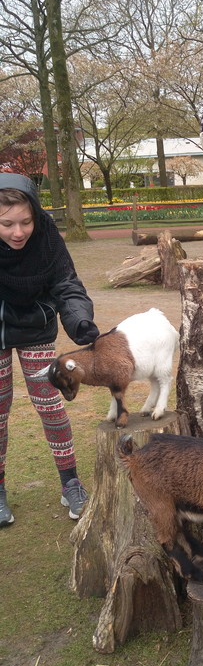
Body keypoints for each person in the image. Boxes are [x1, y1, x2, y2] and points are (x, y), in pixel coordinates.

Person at [0, 173, 99, 527]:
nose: (18, 232)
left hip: (35, 327)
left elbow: (66, 284)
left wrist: (80, 322)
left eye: (25, 221)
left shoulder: (46, 238)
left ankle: (70, 481)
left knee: (51, 406)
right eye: (7, 224)